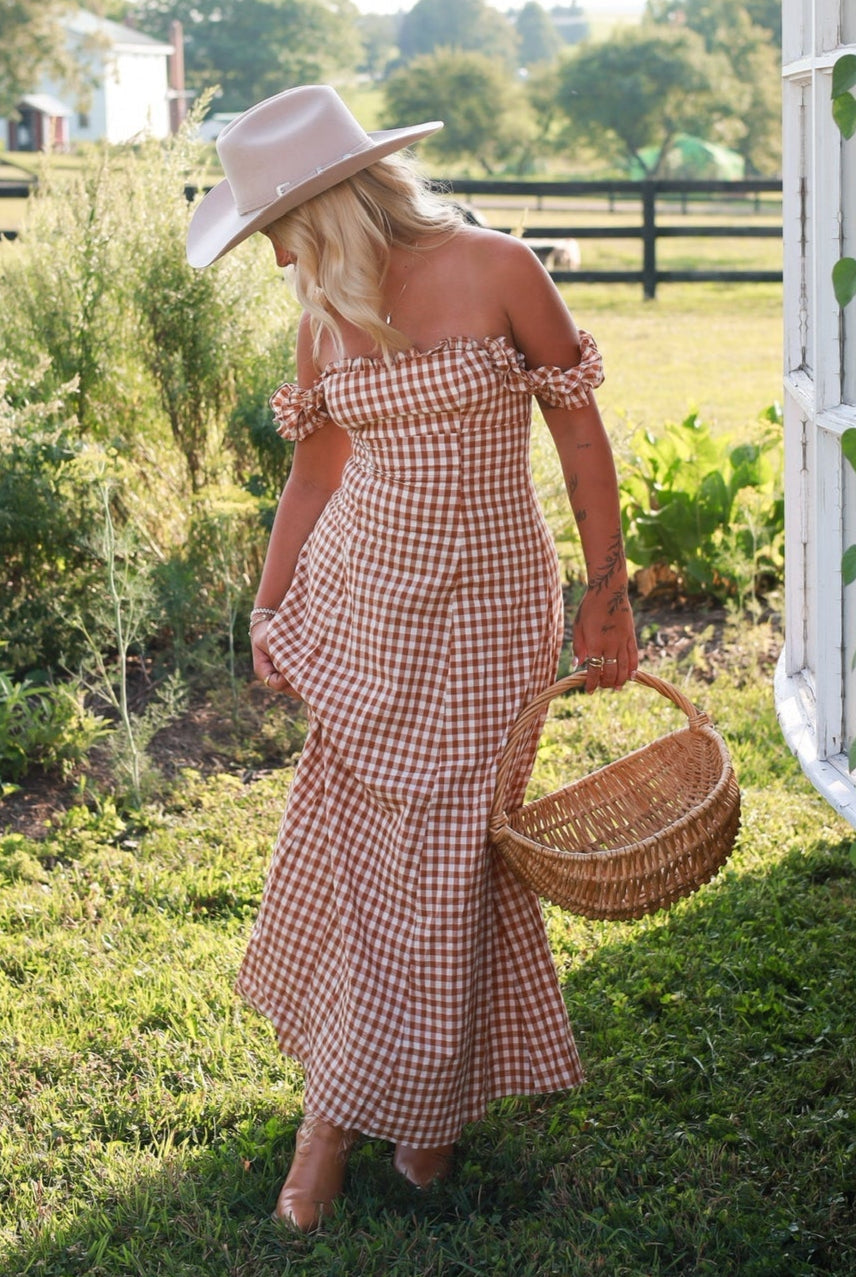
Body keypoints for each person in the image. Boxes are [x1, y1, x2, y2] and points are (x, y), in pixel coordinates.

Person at [186, 84, 638, 1231]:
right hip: (364, 607)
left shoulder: (501, 268)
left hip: (491, 612)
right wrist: (269, 602)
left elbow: (579, 434)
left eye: (279, 227)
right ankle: (353, 1116)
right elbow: (316, 476)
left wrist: (607, 591)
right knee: (364, 848)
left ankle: (393, 1108)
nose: (274, 255)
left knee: (453, 849)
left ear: (330, 202)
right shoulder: (322, 315)